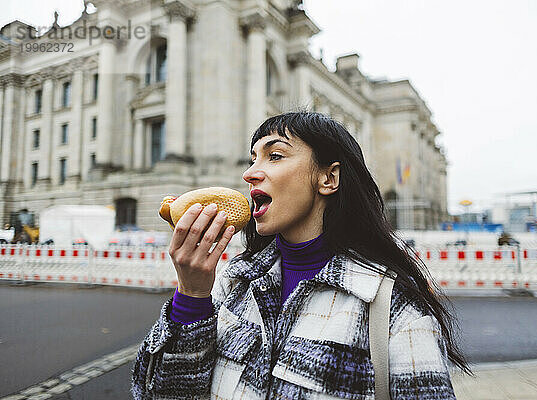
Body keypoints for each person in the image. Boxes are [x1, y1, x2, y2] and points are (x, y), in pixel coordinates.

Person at [131, 111, 471, 399]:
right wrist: (192, 295)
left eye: (275, 156)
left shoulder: (392, 305)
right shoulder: (234, 285)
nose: (249, 173)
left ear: (328, 178)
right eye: (253, 159)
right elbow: (158, 393)